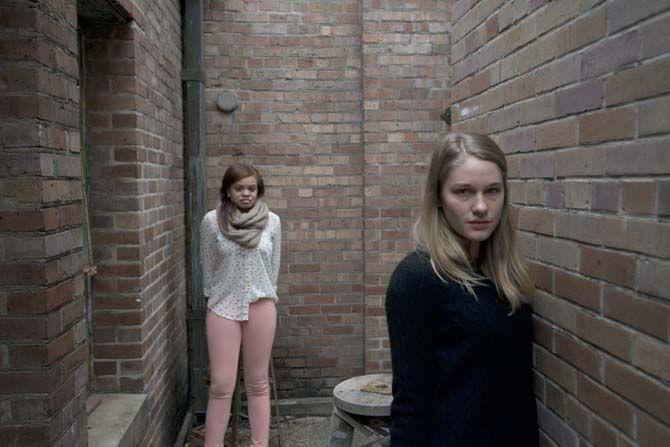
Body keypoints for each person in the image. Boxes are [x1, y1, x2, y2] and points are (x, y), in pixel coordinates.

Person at [385, 133, 538, 446]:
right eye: (464, 192)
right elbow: (410, 404)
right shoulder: (417, 278)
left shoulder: (503, 272)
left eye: (492, 191)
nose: (481, 206)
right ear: (439, 196)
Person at [200, 163, 281, 447]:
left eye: (251, 188)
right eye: (239, 188)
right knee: (221, 384)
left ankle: (260, 444)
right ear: (228, 191)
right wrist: (213, 298)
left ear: (258, 191)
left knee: (258, 384)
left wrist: (266, 294)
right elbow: (208, 269)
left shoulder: (272, 221)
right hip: (223, 308)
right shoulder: (212, 221)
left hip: (261, 305)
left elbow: (274, 268)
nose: (246, 193)